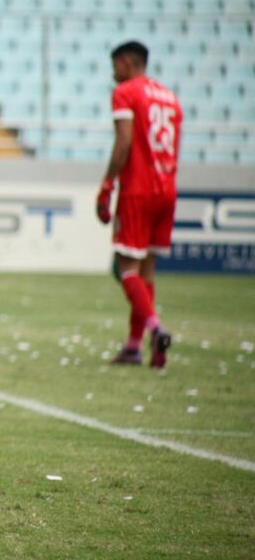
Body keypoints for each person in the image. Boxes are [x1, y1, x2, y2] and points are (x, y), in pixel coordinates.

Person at [98, 41, 181, 369]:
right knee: (146, 269)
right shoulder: (171, 97)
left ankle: (155, 329)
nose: (113, 72)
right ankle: (134, 348)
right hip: (167, 188)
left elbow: (124, 142)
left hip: (138, 189)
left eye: (115, 65)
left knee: (124, 267)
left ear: (128, 62)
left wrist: (107, 185)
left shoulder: (126, 92)